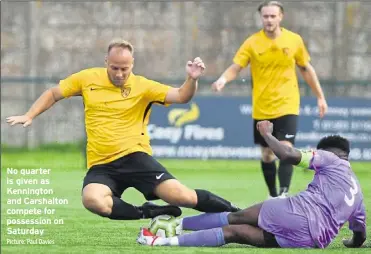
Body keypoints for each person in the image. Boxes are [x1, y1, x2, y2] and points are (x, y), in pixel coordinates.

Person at [6, 39, 240, 221]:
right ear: (106, 62)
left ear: (133, 64)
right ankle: (146, 212)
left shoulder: (143, 86)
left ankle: (236, 213)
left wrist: (192, 80)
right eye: (115, 68)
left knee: (183, 197)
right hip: (102, 164)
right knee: (93, 201)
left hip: (135, 157)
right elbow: (53, 93)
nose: (119, 74)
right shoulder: (87, 78)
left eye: (124, 69)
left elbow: (181, 96)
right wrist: (29, 115)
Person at [137, 120, 366, 249]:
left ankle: (175, 227)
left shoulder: (330, 157)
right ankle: (161, 241)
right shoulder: (359, 196)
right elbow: (359, 236)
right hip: (312, 240)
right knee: (235, 233)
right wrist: (348, 242)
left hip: (296, 212)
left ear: (329, 151)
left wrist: (267, 134)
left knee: (234, 220)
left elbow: (286, 154)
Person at [211, 0, 328, 198]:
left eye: (273, 16)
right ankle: (273, 194)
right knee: (267, 155)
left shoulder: (294, 40)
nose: (269, 20)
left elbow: (306, 69)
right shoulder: (252, 42)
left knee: (285, 149)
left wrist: (320, 97)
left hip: (288, 104)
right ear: (261, 18)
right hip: (262, 108)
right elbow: (236, 67)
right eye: (266, 16)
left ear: (280, 17)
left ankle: (283, 194)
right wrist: (223, 79)